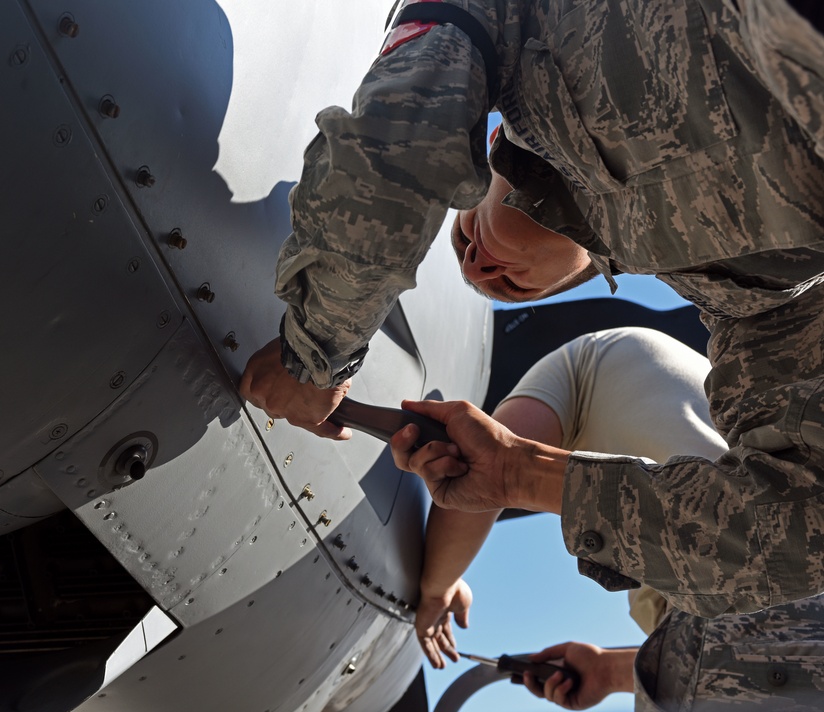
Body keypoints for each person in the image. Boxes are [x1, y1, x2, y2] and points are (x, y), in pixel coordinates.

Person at [240, 0, 824, 617]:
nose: (476, 266)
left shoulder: (516, 23)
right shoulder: (756, 300)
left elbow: (399, 144)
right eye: (510, 287)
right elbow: (800, 531)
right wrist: (519, 474)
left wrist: (314, 354)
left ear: (491, 143)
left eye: (464, 236)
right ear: (581, 276)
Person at [412, 327, 824, 712]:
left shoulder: (582, 365)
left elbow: (483, 471)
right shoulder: (672, 378)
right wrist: (608, 671)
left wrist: (438, 587)